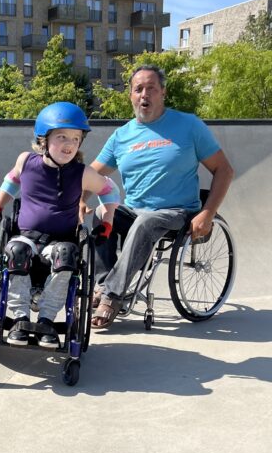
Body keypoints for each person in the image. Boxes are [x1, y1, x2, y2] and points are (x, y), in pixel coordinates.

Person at [84, 65, 234, 331]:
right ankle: (103, 283)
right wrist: (81, 197)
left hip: (177, 212)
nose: (145, 95)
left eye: (151, 88)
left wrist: (208, 213)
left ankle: (112, 296)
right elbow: (93, 172)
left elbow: (224, 169)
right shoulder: (122, 136)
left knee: (147, 222)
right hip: (133, 210)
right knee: (101, 213)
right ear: (130, 95)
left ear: (162, 92)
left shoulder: (189, 125)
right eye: (138, 89)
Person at [0, 101, 120, 349]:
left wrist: (108, 222)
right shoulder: (26, 161)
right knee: (16, 251)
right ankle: (20, 319)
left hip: (60, 242)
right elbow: (12, 180)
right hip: (25, 237)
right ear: (43, 139)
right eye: (62, 137)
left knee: (67, 254)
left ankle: (46, 320)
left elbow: (110, 191)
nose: (69, 144)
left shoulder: (82, 172)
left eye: (75, 139)